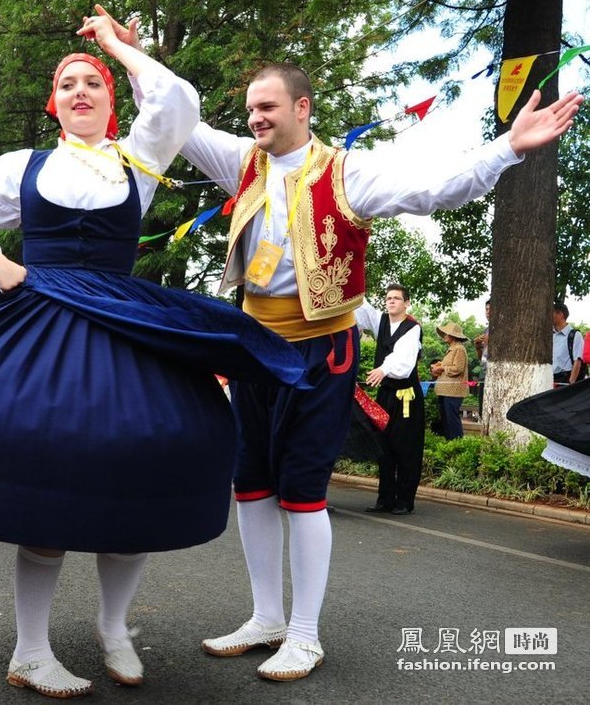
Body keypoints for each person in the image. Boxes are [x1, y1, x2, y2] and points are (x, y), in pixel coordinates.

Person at [0, 8, 307, 699]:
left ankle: (113, 626)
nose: (81, 91)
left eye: (91, 82)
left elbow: (178, 101)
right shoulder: (24, 167)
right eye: (68, 85)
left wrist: (122, 48)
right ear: (54, 105)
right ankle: (30, 649)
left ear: (111, 98)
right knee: (46, 480)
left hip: (124, 328)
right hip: (38, 325)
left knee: (139, 477)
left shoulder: (141, 158)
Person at [154, 45, 582, 681]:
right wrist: (131, 57)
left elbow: (438, 188)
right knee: (250, 487)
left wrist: (508, 147)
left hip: (319, 352)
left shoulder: (350, 172)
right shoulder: (241, 161)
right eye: (249, 110)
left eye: (266, 107)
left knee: (302, 491)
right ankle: (266, 616)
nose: (254, 120)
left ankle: (304, 634)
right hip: (251, 349)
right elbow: (179, 116)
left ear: (302, 108)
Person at [355, 284, 424, 515]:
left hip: (406, 397)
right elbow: (361, 307)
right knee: (383, 446)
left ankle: (404, 500)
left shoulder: (412, 329)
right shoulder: (381, 321)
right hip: (385, 394)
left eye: (396, 298)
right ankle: (385, 498)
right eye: (388, 298)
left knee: (406, 447)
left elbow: (404, 363)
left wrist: (383, 369)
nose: (391, 302)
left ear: (407, 303)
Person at [431, 322, 469, 440]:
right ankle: (449, 444)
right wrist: (439, 365)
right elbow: (450, 365)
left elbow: (458, 368)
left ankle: (457, 444)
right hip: (445, 391)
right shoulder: (452, 349)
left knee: (451, 419)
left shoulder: (459, 349)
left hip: (453, 391)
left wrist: (442, 368)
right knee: (446, 419)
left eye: (446, 333)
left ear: (453, 335)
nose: (444, 335)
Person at [551, 301, 584, 385]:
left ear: (560, 315)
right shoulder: (551, 335)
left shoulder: (575, 335)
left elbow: (578, 360)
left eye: (552, 313)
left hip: (564, 380)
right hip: (550, 379)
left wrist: (571, 383)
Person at [473, 299, 490, 419]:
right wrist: (478, 347)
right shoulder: (486, 330)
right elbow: (481, 357)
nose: (488, 312)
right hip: (484, 371)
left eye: (490, 309)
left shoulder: (503, 329)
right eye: (486, 309)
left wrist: (487, 341)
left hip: (495, 373)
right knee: (482, 407)